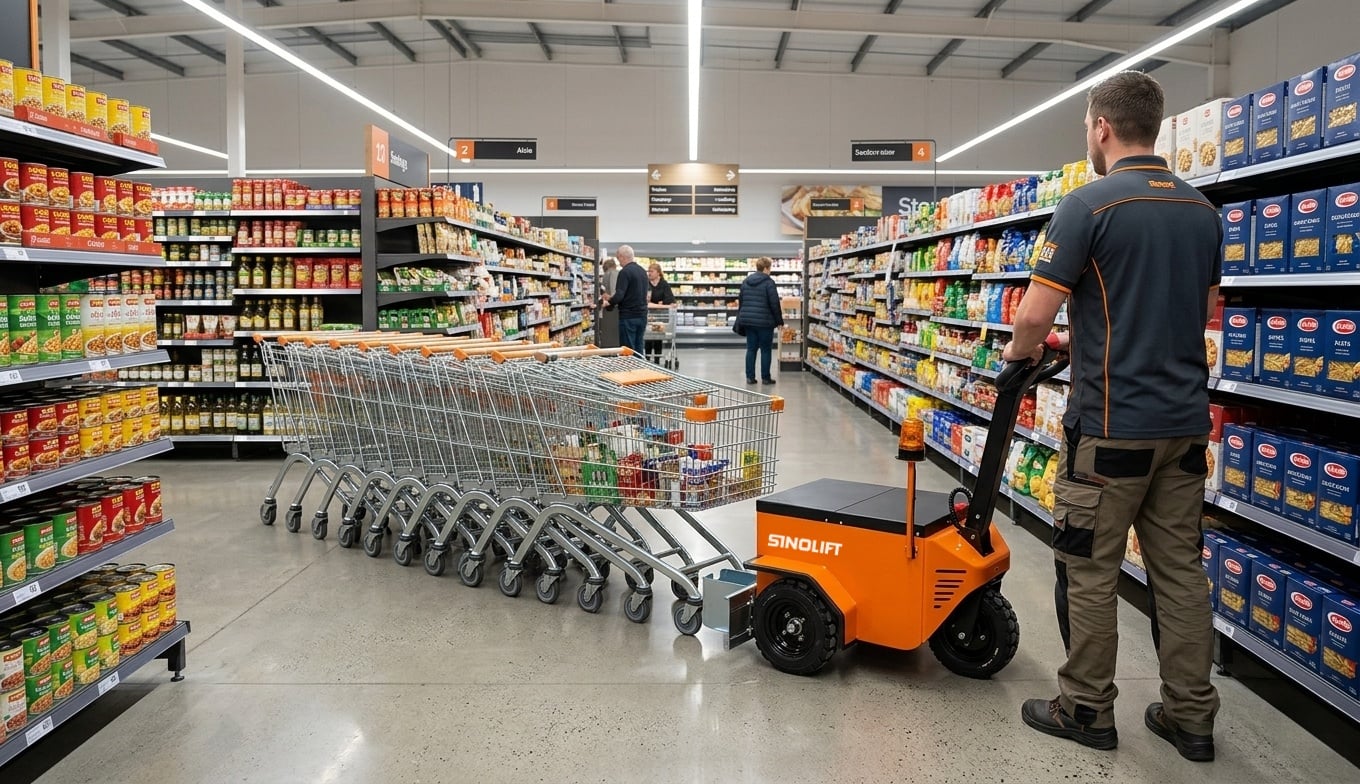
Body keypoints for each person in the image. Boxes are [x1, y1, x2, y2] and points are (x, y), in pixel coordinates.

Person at [1003, 71, 1222, 762]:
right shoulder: (1202, 210)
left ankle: (1087, 709)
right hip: (1185, 427)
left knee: (1090, 569)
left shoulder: (1088, 205)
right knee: (1180, 572)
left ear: (1102, 127)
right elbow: (1203, 312)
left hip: (1110, 429)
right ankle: (1191, 718)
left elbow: (1034, 314)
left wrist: (1021, 353)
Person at [735, 257, 784, 385]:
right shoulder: (769, 282)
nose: (770, 271)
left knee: (751, 349)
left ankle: (750, 377)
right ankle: (766, 378)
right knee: (766, 349)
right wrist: (779, 321)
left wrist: (742, 317)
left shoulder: (746, 281)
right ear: (766, 268)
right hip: (764, 322)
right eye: (770, 268)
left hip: (748, 321)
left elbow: (741, 301)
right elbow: (774, 303)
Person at [601, 245, 648, 354]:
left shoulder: (625, 272)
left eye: (618, 258)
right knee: (639, 347)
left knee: (628, 349)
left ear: (622, 257)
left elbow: (620, 295)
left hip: (628, 317)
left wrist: (608, 303)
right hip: (642, 315)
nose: (619, 262)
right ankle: (640, 370)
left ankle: (630, 370)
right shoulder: (642, 271)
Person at [645, 262, 676, 364]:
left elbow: (670, 300)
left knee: (658, 337)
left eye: (651, 271)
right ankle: (647, 359)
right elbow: (646, 303)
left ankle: (657, 360)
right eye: (648, 271)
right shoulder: (646, 284)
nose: (649, 273)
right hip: (649, 315)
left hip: (661, 316)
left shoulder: (664, 284)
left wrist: (657, 304)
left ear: (658, 273)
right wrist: (661, 303)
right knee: (648, 336)